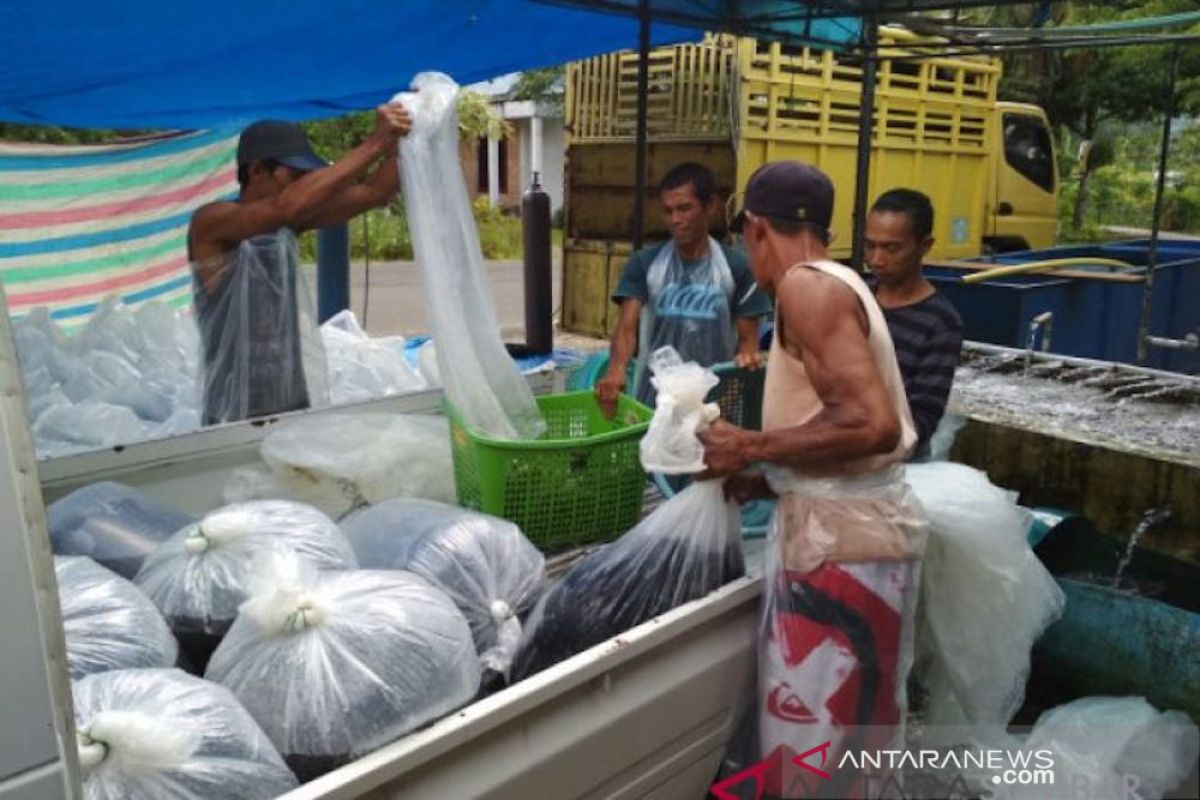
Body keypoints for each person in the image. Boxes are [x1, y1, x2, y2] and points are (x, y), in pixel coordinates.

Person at [699, 162, 928, 799]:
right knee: (853, 740)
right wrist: (770, 478)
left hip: (841, 555)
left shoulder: (807, 287)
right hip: (851, 538)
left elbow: (871, 424)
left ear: (755, 228)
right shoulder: (835, 282)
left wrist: (753, 444)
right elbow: (843, 434)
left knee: (815, 742)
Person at [187, 105, 410, 425]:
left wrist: (403, 138)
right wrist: (373, 144)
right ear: (257, 171)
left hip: (290, 400)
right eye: (293, 177)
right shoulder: (212, 223)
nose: (300, 188)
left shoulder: (285, 228)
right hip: (232, 414)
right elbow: (286, 207)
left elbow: (376, 191)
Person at [595, 162, 771, 416]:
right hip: (653, 404)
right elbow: (626, 327)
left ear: (710, 206)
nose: (675, 220)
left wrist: (724, 403)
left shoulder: (737, 268)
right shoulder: (645, 264)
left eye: (684, 208)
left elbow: (747, 345)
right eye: (668, 211)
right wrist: (616, 369)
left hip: (713, 404)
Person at [865, 188, 964, 460]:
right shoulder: (857, 298)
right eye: (870, 246)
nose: (876, 260)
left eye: (891, 248)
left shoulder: (941, 322)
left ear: (925, 246)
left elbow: (922, 420)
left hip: (899, 464)